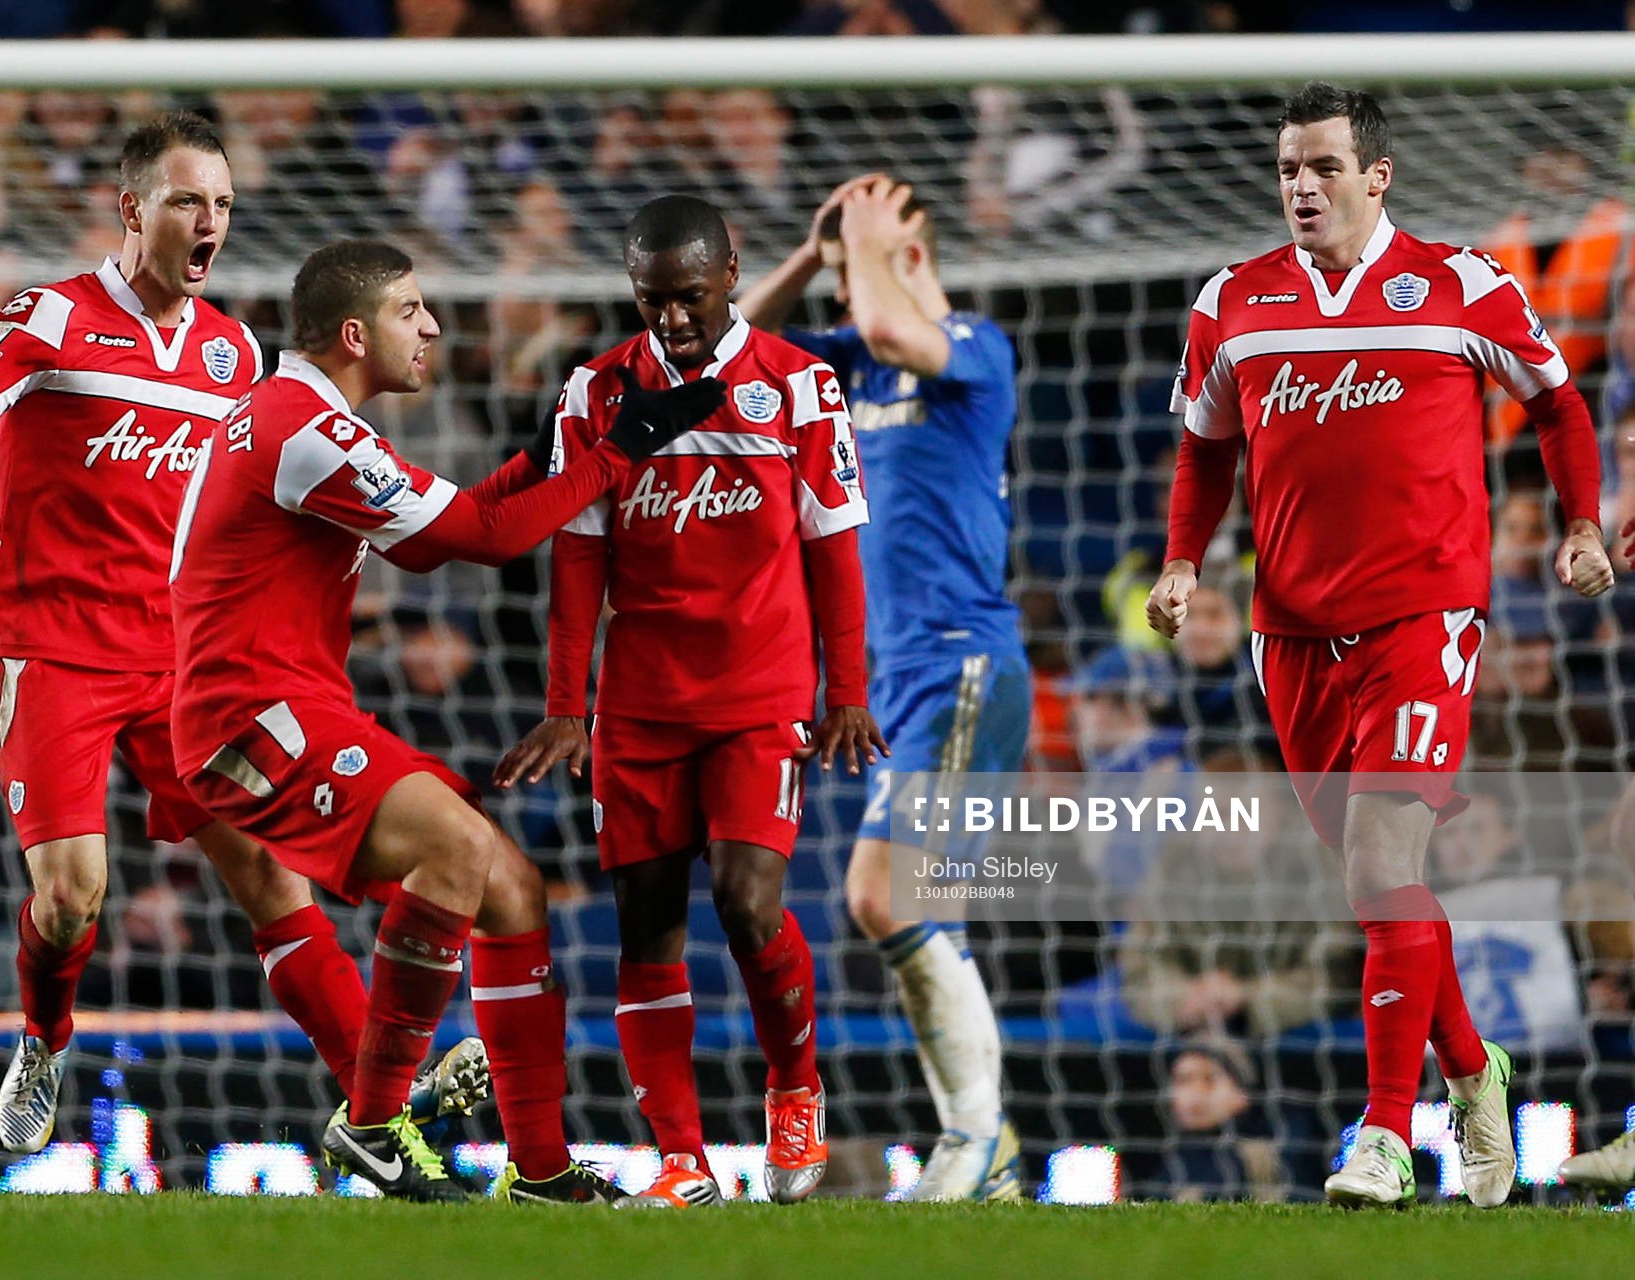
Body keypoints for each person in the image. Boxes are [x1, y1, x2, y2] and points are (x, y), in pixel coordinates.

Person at [0, 113, 419, 1157]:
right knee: (70, 891)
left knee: (273, 874)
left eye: (222, 203)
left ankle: (379, 1111)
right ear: (132, 210)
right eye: (188, 201)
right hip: (53, 647)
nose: (209, 221)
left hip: (182, 656)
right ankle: (45, 1034)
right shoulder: (45, 318)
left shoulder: (233, 350)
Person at [169, 237, 720, 1202]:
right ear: (354, 333)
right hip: (251, 719)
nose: (430, 326)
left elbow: (464, 508)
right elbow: (477, 542)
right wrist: (619, 454)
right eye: (410, 311)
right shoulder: (301, 426)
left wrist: (558, 448)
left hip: (284, 706)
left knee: (511, 889)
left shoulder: (303, 416)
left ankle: (541, 1171)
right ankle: (376, 1120)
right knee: (460, 856)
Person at [1146, 82, 1613, 1209]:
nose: (1300, 187)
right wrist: (1179, 560)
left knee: (1381, 864)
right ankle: (1473, 1064)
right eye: (1285, 171)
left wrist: (1584, 522)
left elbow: (1557, 402)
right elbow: (1207, 446)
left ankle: (1383, 1138)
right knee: (1373, 888)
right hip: (1289, 629)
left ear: (1375, 176)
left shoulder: (1462, 284)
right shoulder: (1233, 300)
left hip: (1424, 615)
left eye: (1319, 167)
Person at [496, 194, 883, 1209]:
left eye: (687, 297)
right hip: (638, 709)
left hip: (759, 698)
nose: (670, 318)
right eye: (650, 299)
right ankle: (682, 1159)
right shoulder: (595, 391)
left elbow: (835, 548)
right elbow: (576, 558)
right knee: (645, 927)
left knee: (748, 901)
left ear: (729, 272)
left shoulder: (799, 386)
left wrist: (846, 691)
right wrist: (566, 704)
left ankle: (795, 1086)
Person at [739, 174, 1026, 1200]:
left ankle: (977, 1137)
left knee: (884, 892)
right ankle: (977, 1147)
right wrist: (813, 255)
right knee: (907, 904)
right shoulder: (843, 360)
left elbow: (900, 332)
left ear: (912, 252)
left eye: (873, 242)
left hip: (963, 661)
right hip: (891, 682)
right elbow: (730, 350)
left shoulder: (977, 350)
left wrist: (865, 253)